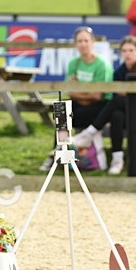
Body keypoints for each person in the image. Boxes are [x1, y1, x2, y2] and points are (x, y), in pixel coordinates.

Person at [71, 35, 136, 175]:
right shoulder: (119, 71)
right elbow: (117, 93)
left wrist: (125, 93)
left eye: (131, 50)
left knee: (115, 103)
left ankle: (90, 133)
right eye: (125, 51)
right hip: (125, 114)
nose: (128, 54)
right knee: (116, 115)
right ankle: (117, 159)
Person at [40, 26, 113, 171]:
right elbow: (70, 91)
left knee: (69, 114)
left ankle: (62, 151)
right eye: (80, 41)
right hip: (79, 105)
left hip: (98, 109)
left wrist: (79, 91)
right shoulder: (74, 63)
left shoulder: (102, 65)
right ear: (75, 44)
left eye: (86, 40)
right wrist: (84, 93)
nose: (83, 44)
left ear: (92, 42)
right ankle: (58, 153)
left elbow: (97, 96)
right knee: (62, 110)